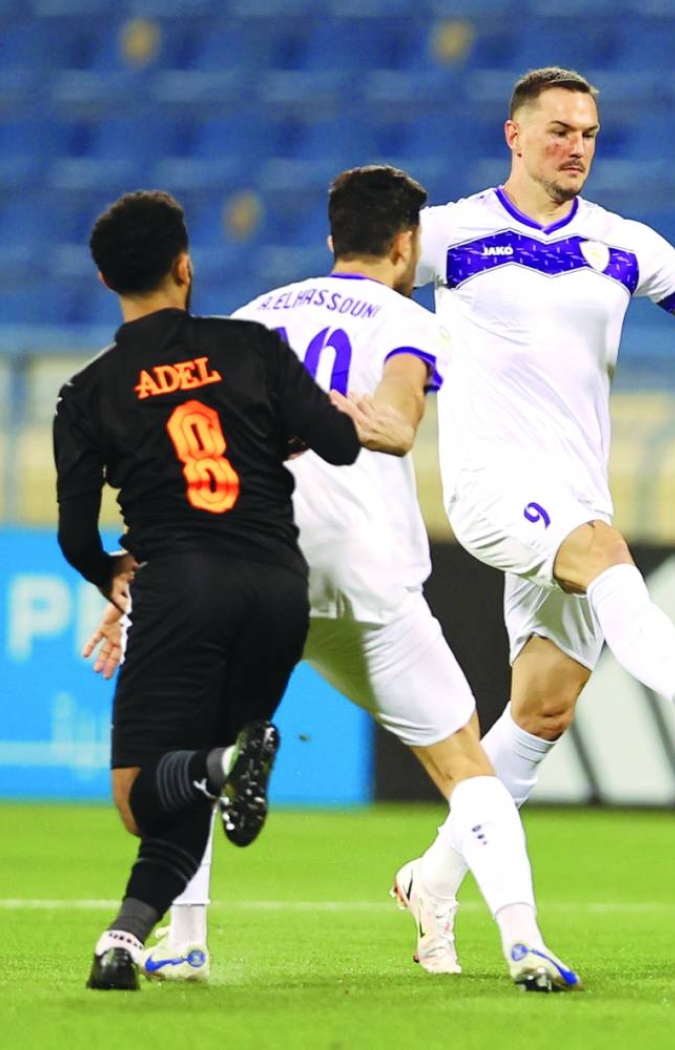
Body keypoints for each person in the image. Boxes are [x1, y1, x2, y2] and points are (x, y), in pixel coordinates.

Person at [85, 167, 581, 993]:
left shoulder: (251, 318)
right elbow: (397, 419)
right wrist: (364, 417)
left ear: (329, 241)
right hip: (366, 579)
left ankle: (185, 939)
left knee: (197, 750)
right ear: (406, 244)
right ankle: (525, 944)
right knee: (465, 767)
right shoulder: (406, 319)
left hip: (250, 564)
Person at [390, 66, 675, 971]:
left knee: (543, 712)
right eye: (560, 130)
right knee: (603, 551)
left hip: (575, 495)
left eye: (589, 134)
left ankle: (432, 878)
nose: (576, 146)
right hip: (494, 491)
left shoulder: (622, 242)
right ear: (515, 136)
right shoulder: (452, 234)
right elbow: (365, 288)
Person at [55, 189, 378, 991]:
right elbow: (340, 443)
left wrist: (109, 575)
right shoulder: (252, 348)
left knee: (142, 796)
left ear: (104, 280)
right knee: (193, 784)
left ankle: (228, 760)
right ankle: (125, 941)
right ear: (185, 266)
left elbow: (73, 534)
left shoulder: (88, 393)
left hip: (182, 587)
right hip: (276, 585)